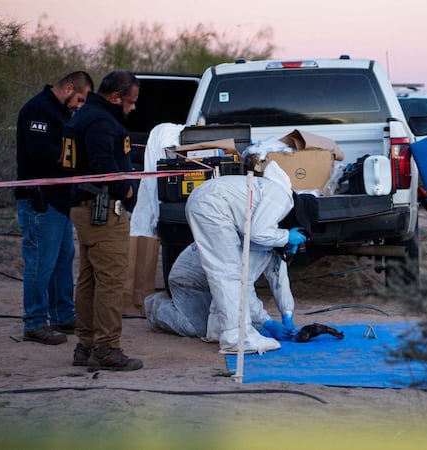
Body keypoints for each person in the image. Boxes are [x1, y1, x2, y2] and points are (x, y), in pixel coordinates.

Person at [63, 70, 143, 371]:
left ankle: (85, 345)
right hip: (103, 210)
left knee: (90, 279)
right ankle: (107, 348)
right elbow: (102, 165)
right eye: (130, 102)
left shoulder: (88, 115)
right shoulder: (99, 120)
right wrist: (126, 188)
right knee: (110, 282)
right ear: (115, 97)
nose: (132, 108)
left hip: (87, 208)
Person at [185, 161, 307, 355]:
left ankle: (219, 328)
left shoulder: (269, 210)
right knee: (229, 273)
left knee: (225, 273)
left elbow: (279, 276)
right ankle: (237, 338)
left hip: (206, 200)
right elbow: (245, 281)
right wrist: (266, 321)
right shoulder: (282, 198)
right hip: (212, 206)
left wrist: (287, 314)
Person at [15, 71, 94, 345]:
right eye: (79, 99)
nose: (79, 106)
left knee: (63, 258)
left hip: (60, 201)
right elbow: (41, 152)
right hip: (40, 201)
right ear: (69, 88)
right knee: (40, 263)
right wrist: (73, 154)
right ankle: (35, 323)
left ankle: (63, 315)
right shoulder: (39, 109)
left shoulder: (61, 113)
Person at [144, 241, 295, 342]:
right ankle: (157, 307)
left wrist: (287, 314)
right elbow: (243, 287)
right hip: (190, 280)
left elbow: (280, 280)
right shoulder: (254, 242)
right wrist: (266, 321)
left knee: (229, 322)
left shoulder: (273, 242)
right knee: (201, 329)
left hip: (216, 281)